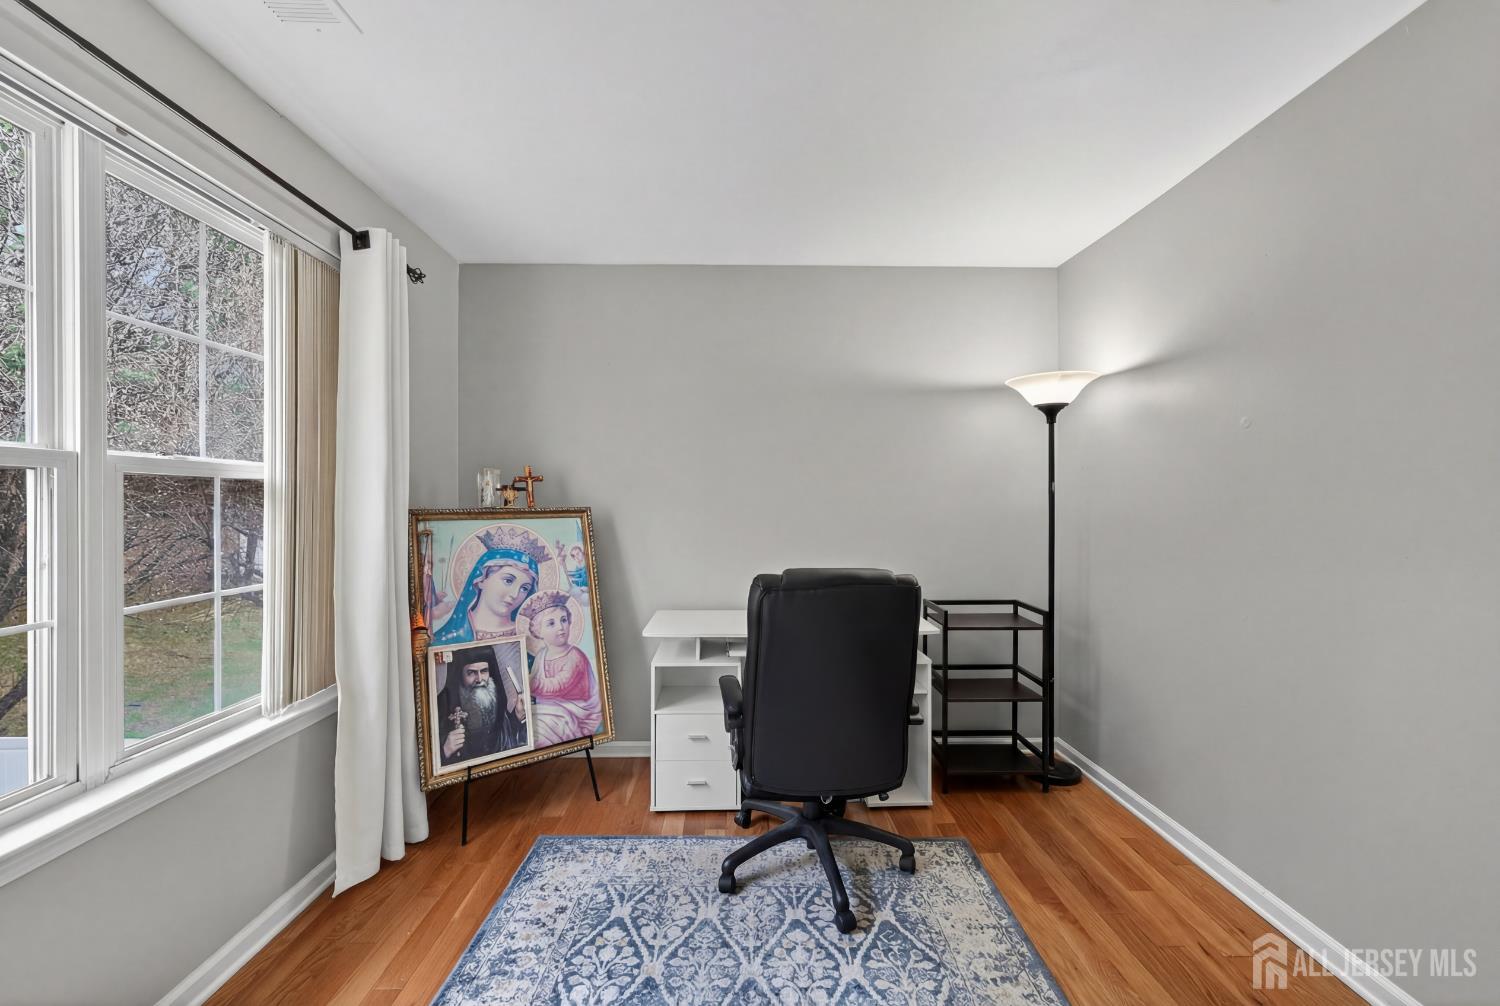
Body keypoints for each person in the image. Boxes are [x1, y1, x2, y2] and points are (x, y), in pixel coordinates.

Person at [433, 525, 550, 644]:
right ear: (481, 579)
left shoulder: (531, 639)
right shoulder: (448, 638)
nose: (515, 594)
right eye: (508, 581)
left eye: (525, 588)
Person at [518, 590, 602, 748]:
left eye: (564, 620)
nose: (561, 627)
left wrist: (527, 683)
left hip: (576, 713)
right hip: (551, 711)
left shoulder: (575, 656)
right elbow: (535, 684)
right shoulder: (541, 655)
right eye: (551, 623)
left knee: (540, 728)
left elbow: (557, 686)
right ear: (538, 631)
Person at [436, 643, 529, 765]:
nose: (479, 679)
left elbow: (502, 736)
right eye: (471, 673)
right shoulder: (443, 703)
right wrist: (445, 749)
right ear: (460, 674)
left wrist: (517, 717)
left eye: (484, 671)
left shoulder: (495, 696)